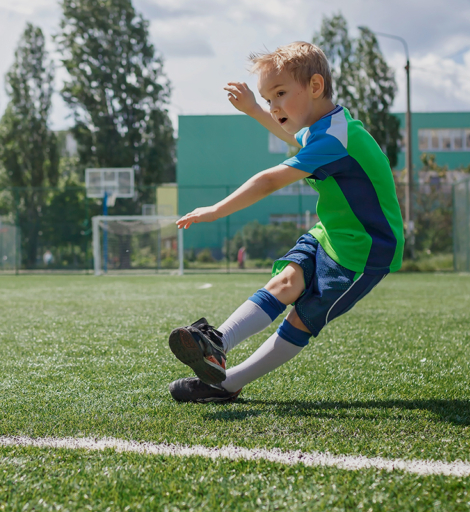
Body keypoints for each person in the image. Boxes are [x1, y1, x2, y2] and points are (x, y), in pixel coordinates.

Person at [167, 41, 405, 402]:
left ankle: (226, 384)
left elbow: (269, 180)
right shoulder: (324, 126)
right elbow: (292, 137)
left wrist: (214, 210)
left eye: (279, 94)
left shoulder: (336, 138)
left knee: (300, 319)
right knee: (285, 280)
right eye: (267, 99)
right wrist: (252, 110)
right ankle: (217, 342)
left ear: (314, 86)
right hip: (330, 234)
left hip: (364, 250)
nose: (273, 106)